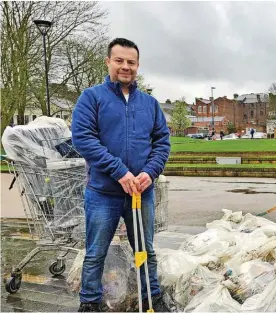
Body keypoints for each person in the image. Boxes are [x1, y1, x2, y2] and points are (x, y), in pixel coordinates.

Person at [71, 38, 171, 312]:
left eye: (131, 62)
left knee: (146, 250)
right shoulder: (92, 97)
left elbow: (162, 142)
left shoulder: (149, 104)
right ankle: (90, 302)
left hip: (141, 192)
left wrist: (150, 172)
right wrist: (120, 172)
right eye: (120, 60)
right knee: (95, 252)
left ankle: (152, 297)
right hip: (103, 193)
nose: (125, 67)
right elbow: (83, 138)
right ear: (108, 62)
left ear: (137, 65)